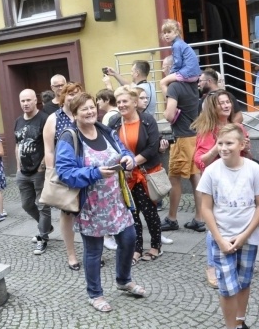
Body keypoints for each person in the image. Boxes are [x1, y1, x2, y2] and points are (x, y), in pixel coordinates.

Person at [54, 93, 148, 312]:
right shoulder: (70, 137)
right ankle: (94, 294)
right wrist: (95, 172)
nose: (89, 112)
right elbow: (65, 172)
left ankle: (123, 280)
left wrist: (128, 159)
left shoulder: (106, 130)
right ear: (75, 114)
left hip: (116, 200)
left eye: (91, 108)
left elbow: (123, 151)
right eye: (83, 109)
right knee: (94, 251)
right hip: (91, 206)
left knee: (129, 238)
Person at [197, 124, 259, 329]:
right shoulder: (212, 171)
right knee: (228, 288)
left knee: (243, 282)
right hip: (222, 238)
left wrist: (245, 235)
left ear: (242, 145)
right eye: (220, 143)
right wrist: (219, 240)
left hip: (247, 236)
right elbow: (206, 208)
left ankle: (240, 323)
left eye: (229, 143)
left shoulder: (253, 169)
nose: (224, 147)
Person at [193, 91, 251, 288]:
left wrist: (245, 148)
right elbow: (200, 161)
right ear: (213, 108)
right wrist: (219, 146)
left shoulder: (238, 128)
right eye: (221, 103)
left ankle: (237, 254)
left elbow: (246, 157)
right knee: (214, 224)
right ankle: (211, 265)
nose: (226, 105)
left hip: (238, 180)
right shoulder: (207, 131)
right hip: (216, 183)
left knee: (238, 217)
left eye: (228, 102)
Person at [108, 86, 163, 264]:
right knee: (131, 214)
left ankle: (155, 246)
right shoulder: (115, 122)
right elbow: (110, 147)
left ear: (134, 102)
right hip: (125, 176)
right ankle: (137, 249)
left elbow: (152, 147)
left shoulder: (147, 121)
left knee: (149, 212)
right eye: (119, 102)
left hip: (144, 173)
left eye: (125, 101)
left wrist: (133, 162)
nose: (122, 105)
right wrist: (124, 166)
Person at [42, 82, 84, 267]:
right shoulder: (54, 118)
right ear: (63, 97)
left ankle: (93, 253)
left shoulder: (84, 114)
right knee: (67, 214)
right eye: (70, 94)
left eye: (77, 93)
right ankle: (71, 255)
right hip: (65, 173)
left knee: (89, 213)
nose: (74, 97)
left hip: (85, 172)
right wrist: (53, 175)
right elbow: (49, 150)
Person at [160, 55, 202, 233]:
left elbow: (170, 115)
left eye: (164, 67)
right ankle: (200, 218)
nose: (163, 70)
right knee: (195, 178)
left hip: (182, 137)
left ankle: (172, 218)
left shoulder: (175, 87)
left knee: (174, 178)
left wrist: (164, 85)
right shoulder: (193, 85)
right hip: (194, 135)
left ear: (172, 69)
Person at [14, 89, 52, 249]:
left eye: (28, 100)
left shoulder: (44, 119)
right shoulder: (18, 121)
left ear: (35, 101)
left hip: (39, 171)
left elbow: (50, 145)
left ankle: (43, 237)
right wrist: (17, 166)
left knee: (43, 205)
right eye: (22, 101)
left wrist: (43, 165)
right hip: (23, 171)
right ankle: (46, 227)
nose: (25, 104)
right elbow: (18, 145)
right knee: (27, 204)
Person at [159, 19, 201, 95]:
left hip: (188, 73)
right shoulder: (181, 43)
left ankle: (169, 101)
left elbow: (177, 62)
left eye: (169, 32)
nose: (166, 35)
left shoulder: (176, 45)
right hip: (194, 73)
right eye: (164, 33)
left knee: (163, 82)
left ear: (176, 32)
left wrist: (171, 73)